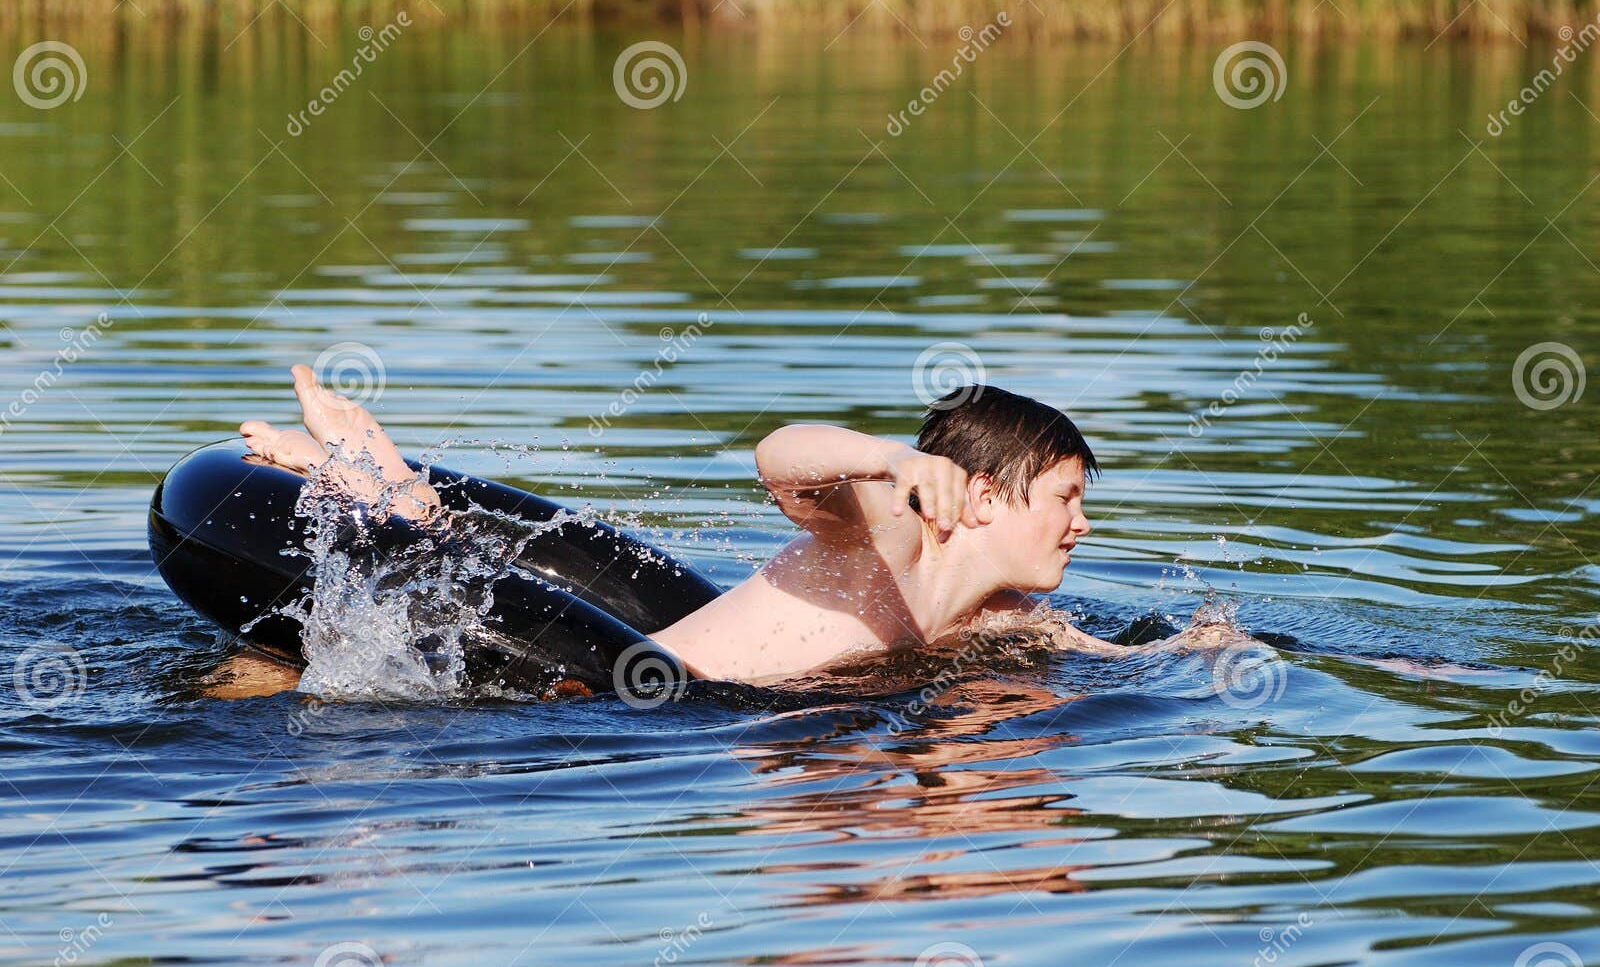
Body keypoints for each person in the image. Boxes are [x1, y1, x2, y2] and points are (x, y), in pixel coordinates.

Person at [223, 364, 1242, 695]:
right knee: (313, 657)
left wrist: (1208, 652)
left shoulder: (1002, 614)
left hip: (661, 679)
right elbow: (779, 455)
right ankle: (376, 486)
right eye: (1063, 497)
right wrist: (884, 457)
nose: (1082, 520)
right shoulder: (892, 530)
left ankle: (393, 483)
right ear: (981, 498)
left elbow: (1111, 660)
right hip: (613, 686)